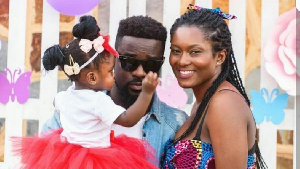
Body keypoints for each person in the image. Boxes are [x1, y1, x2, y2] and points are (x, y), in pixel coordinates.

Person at [11, 15, 159, 169]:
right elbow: (128, 120)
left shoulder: (63, 97)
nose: (113, 75)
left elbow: (56, 102)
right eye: (110, 72)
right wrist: (146, 93)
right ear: (92, 77)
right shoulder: (98, 102)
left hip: (66, 158)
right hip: (98, 160)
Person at [42, 15, 188, 167]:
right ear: (113, 59)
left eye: (151, 64)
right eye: (129, 62)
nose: (139, 72)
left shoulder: (176, 125)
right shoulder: (69, 115)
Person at [161, 4, 267, 169]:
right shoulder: (203, 102)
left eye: (195, 51)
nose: (182, 61)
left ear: (219, 57)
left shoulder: (224, 104)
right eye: (176, 51)